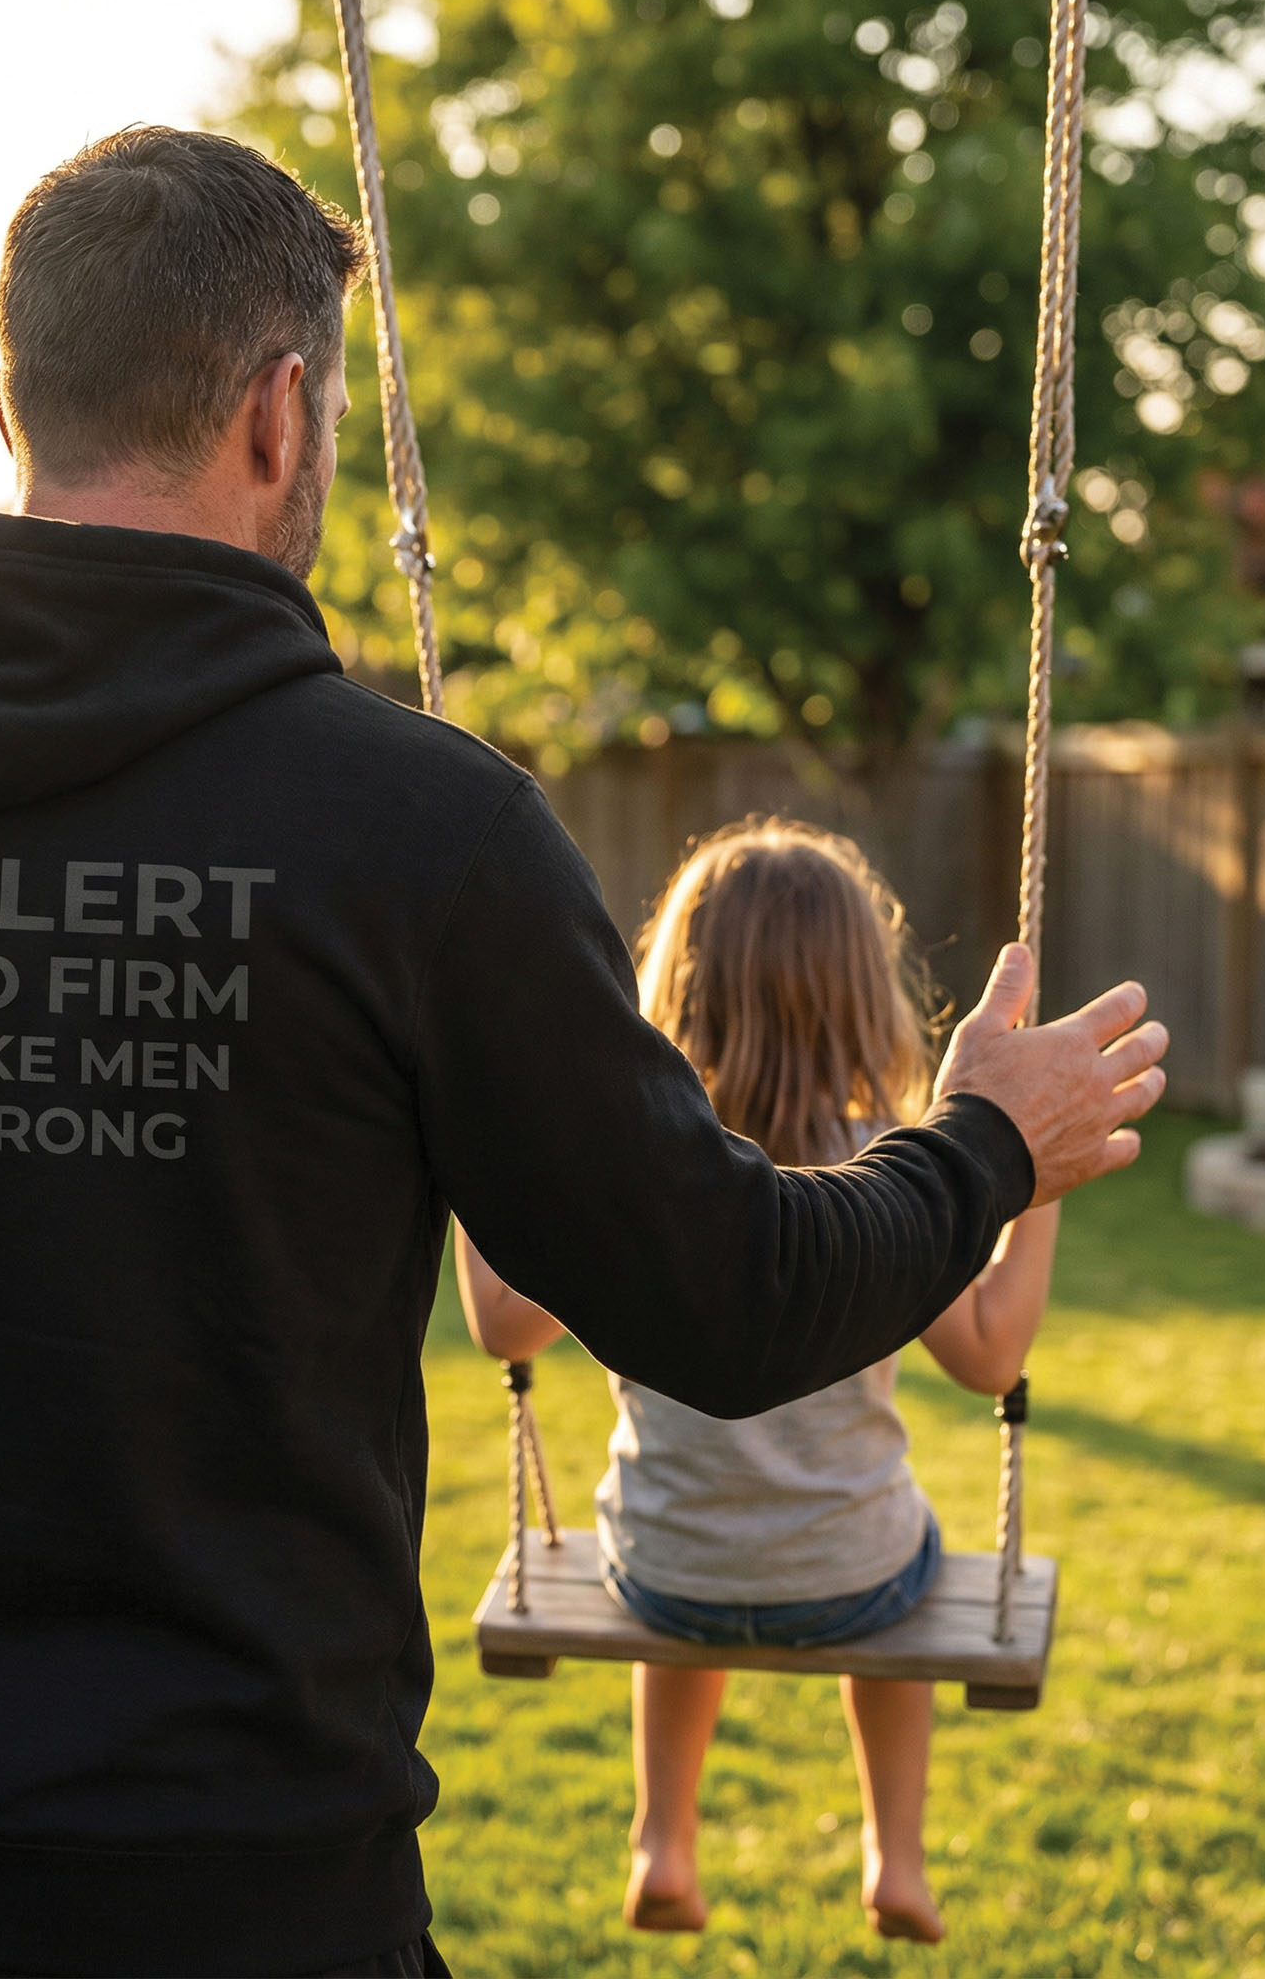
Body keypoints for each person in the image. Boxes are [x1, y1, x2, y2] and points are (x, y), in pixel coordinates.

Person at [0, 127, 1166, 1979]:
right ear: (282, 414)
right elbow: (733, 1308)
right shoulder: (419, 835)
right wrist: (983, 1144)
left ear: (11, 404)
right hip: (238, 1900)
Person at [459, 819, 1063, 1946]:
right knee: (908, 1554)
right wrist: (1031, 1183)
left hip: (664, 1572)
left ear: (672, 985)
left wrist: (472, 1132)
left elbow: (503, 1325)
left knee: (687, 1584)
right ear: (861, 992)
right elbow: (990, 1353)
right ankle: (895, 1857)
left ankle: (662, 1838)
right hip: (852, 1577)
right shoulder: (897, 1170)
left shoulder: (636, 1170)